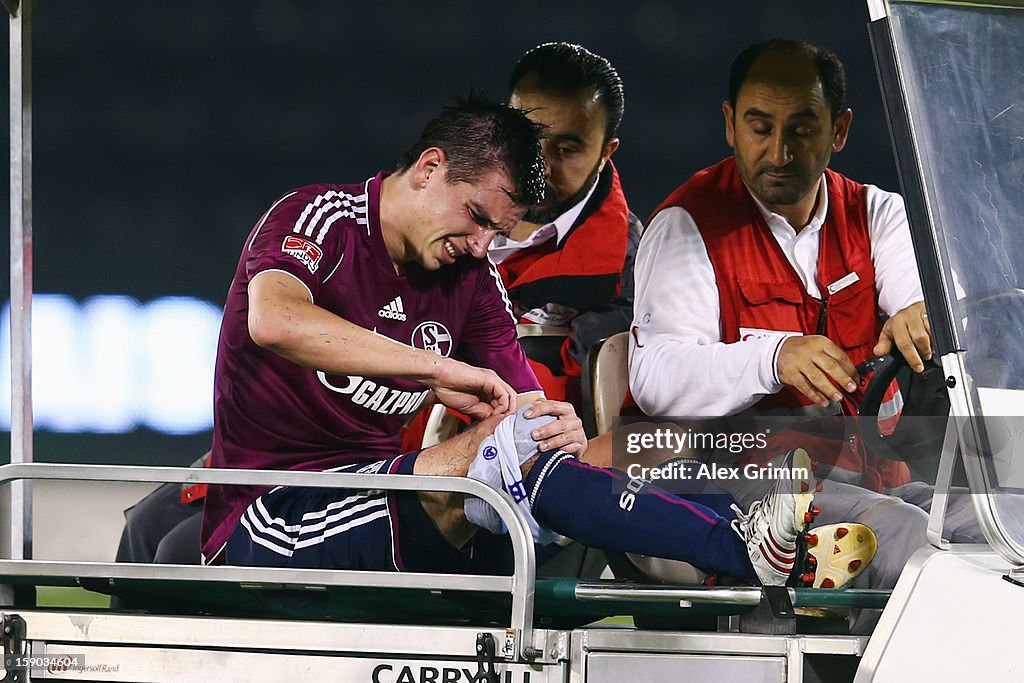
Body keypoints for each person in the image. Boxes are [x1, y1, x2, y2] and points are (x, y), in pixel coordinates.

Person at [199, 93, 836, 587]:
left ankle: (753, 542)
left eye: (496, 232)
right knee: (492, 457)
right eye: (476, 219)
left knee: (521, 448)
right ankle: (740, 544)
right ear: (429, 169)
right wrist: (437, 371)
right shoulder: (320, 220)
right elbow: (275, 321)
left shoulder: (471, 278)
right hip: (271, 509)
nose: (483, 247)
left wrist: (550, 422)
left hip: (379, 492)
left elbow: (524, 410)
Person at [630, 39, 983, 593]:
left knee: (1005, 522)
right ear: (730, 124)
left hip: (877, 481)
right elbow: (656, 379)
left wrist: (921, 311)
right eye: (759, 127)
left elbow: (919, 286)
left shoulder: (878, 213)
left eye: (801, 127)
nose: (778, 152)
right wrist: (772, 358)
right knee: (902, 536)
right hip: (744, 484)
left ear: (838, 130)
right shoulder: (685, 225)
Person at [490, 42, 641, 409]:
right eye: (526, 139)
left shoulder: (630, 266)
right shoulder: (434, 208)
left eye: (567, 150)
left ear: (606, 153)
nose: (539, 170)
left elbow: (572, 406)